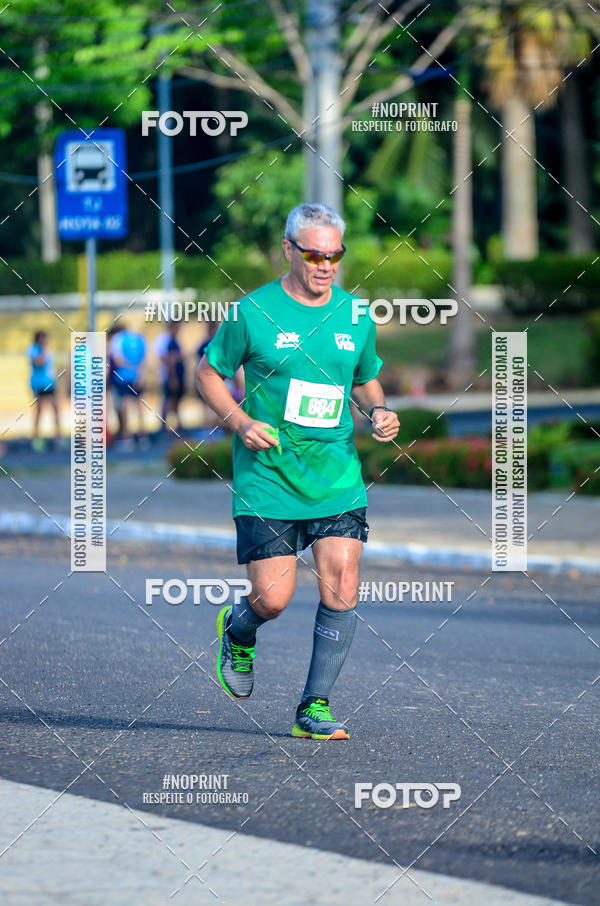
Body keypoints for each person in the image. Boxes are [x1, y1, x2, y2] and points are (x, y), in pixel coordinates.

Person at [196, 202, 399, 741]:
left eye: (334, 255)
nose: (325, 265)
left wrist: (377, 409)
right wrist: (239, 422)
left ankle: (314, 707)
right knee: (274, 599)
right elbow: (208, 375)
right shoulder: (252, 312)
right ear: (288, 249)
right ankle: (239, 630)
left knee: (342, 581)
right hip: (268, 476)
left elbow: (366, 378)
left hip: (336, 475)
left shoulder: (356, 316)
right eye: (313, 254)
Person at [108, 325, 147, 444]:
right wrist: (139, 373)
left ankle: (127, 437)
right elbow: (145, 360)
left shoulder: (117, 340)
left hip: (122, 377)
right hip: (137, 376)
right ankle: (143, 436)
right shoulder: (139, 338)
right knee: (138, 405)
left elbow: (117, 360)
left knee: (125, 405)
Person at [27, 331, 60, 449]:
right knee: (39, 411)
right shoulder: (33, 349)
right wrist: (44, 350)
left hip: (50, 384)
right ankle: (36, 438)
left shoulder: (48, 350)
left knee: (56, 409)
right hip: (39, 385)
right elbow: (39, 362)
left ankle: (58, 437)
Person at [155, 322, 186, 432]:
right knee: (169, 400)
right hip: (171, 376)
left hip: (176, 375)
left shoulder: (175, 340)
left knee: (175, 400)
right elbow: (170, 361)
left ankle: (178, 424)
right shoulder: (167, 341)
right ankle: (163, 426)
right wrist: (173, 378)